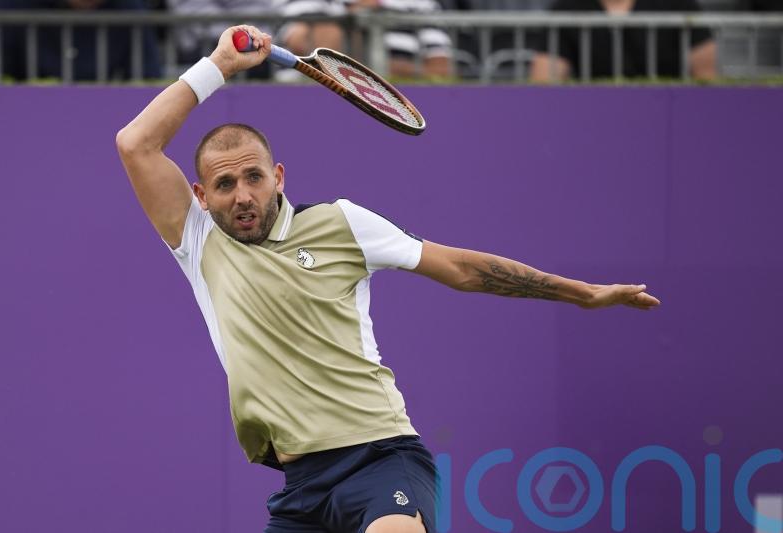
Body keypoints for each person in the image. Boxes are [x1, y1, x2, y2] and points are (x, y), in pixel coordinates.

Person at [115, 25, 660, 533]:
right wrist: (219, 64)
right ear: (200, 195)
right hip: (299, 486)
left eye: (254, 177)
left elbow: (462, 269)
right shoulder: (198, 241)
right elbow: (135, 143)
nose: (242, 195)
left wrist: (582, 293)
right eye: (226, 183)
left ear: (278, 177)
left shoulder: (341, 223)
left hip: (381, 457)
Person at [529, 0, 718, 82]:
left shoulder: (677, 4)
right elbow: (544, 81)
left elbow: (707, 77)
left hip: (667, 116)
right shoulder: (566, 9)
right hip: (593, 119)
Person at [0, 0, 161, 82]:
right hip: (20, 116)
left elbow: (148, 78)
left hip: (100, 116)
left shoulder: (131, 11)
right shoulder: (4, 8)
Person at [276, 0, 453, 79]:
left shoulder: (422, 3)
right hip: (313, 99)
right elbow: (305, 44)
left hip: (390, 107)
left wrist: (372, 73)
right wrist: (357, 15)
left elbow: (441, 69)